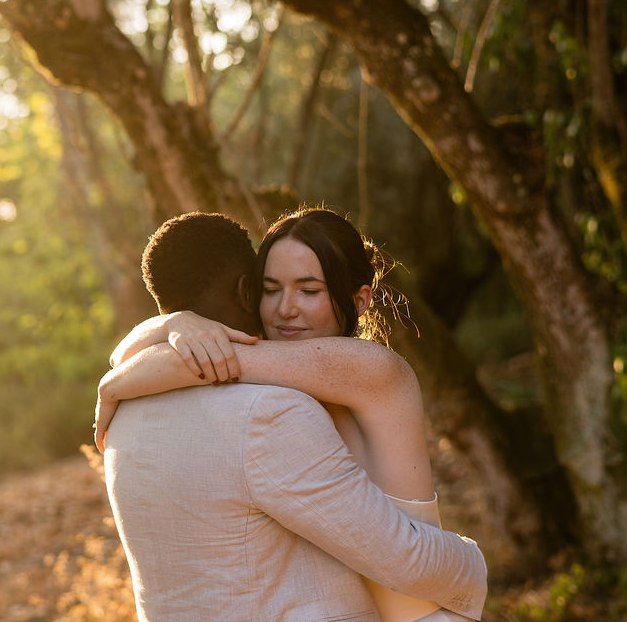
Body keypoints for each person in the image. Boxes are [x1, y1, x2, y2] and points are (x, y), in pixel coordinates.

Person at [99, 211, 486, 620]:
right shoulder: (275, 393)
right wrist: (176, 327)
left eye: (309, 290)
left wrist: (122, 375)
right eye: (271, 289)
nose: (285, 309)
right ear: (251, 292)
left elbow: (219, 359)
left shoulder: (374, 369)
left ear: (359, 300)